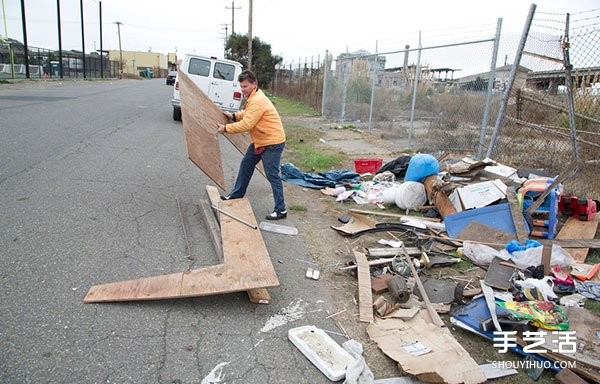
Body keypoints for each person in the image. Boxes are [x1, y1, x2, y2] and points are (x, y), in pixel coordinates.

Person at [217, 69, 287, 220]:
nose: (243, 90)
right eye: (241, 86)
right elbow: (248, 113)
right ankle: (236, 195)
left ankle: (281, 210)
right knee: (246, 164)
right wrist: (234, 115)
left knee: (272, 175)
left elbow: (247, 124)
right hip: (261, 140)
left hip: (272, 142)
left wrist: (226, 128)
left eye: (245, 86)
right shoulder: (253, 97)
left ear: (254, 84)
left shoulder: (257, 100)